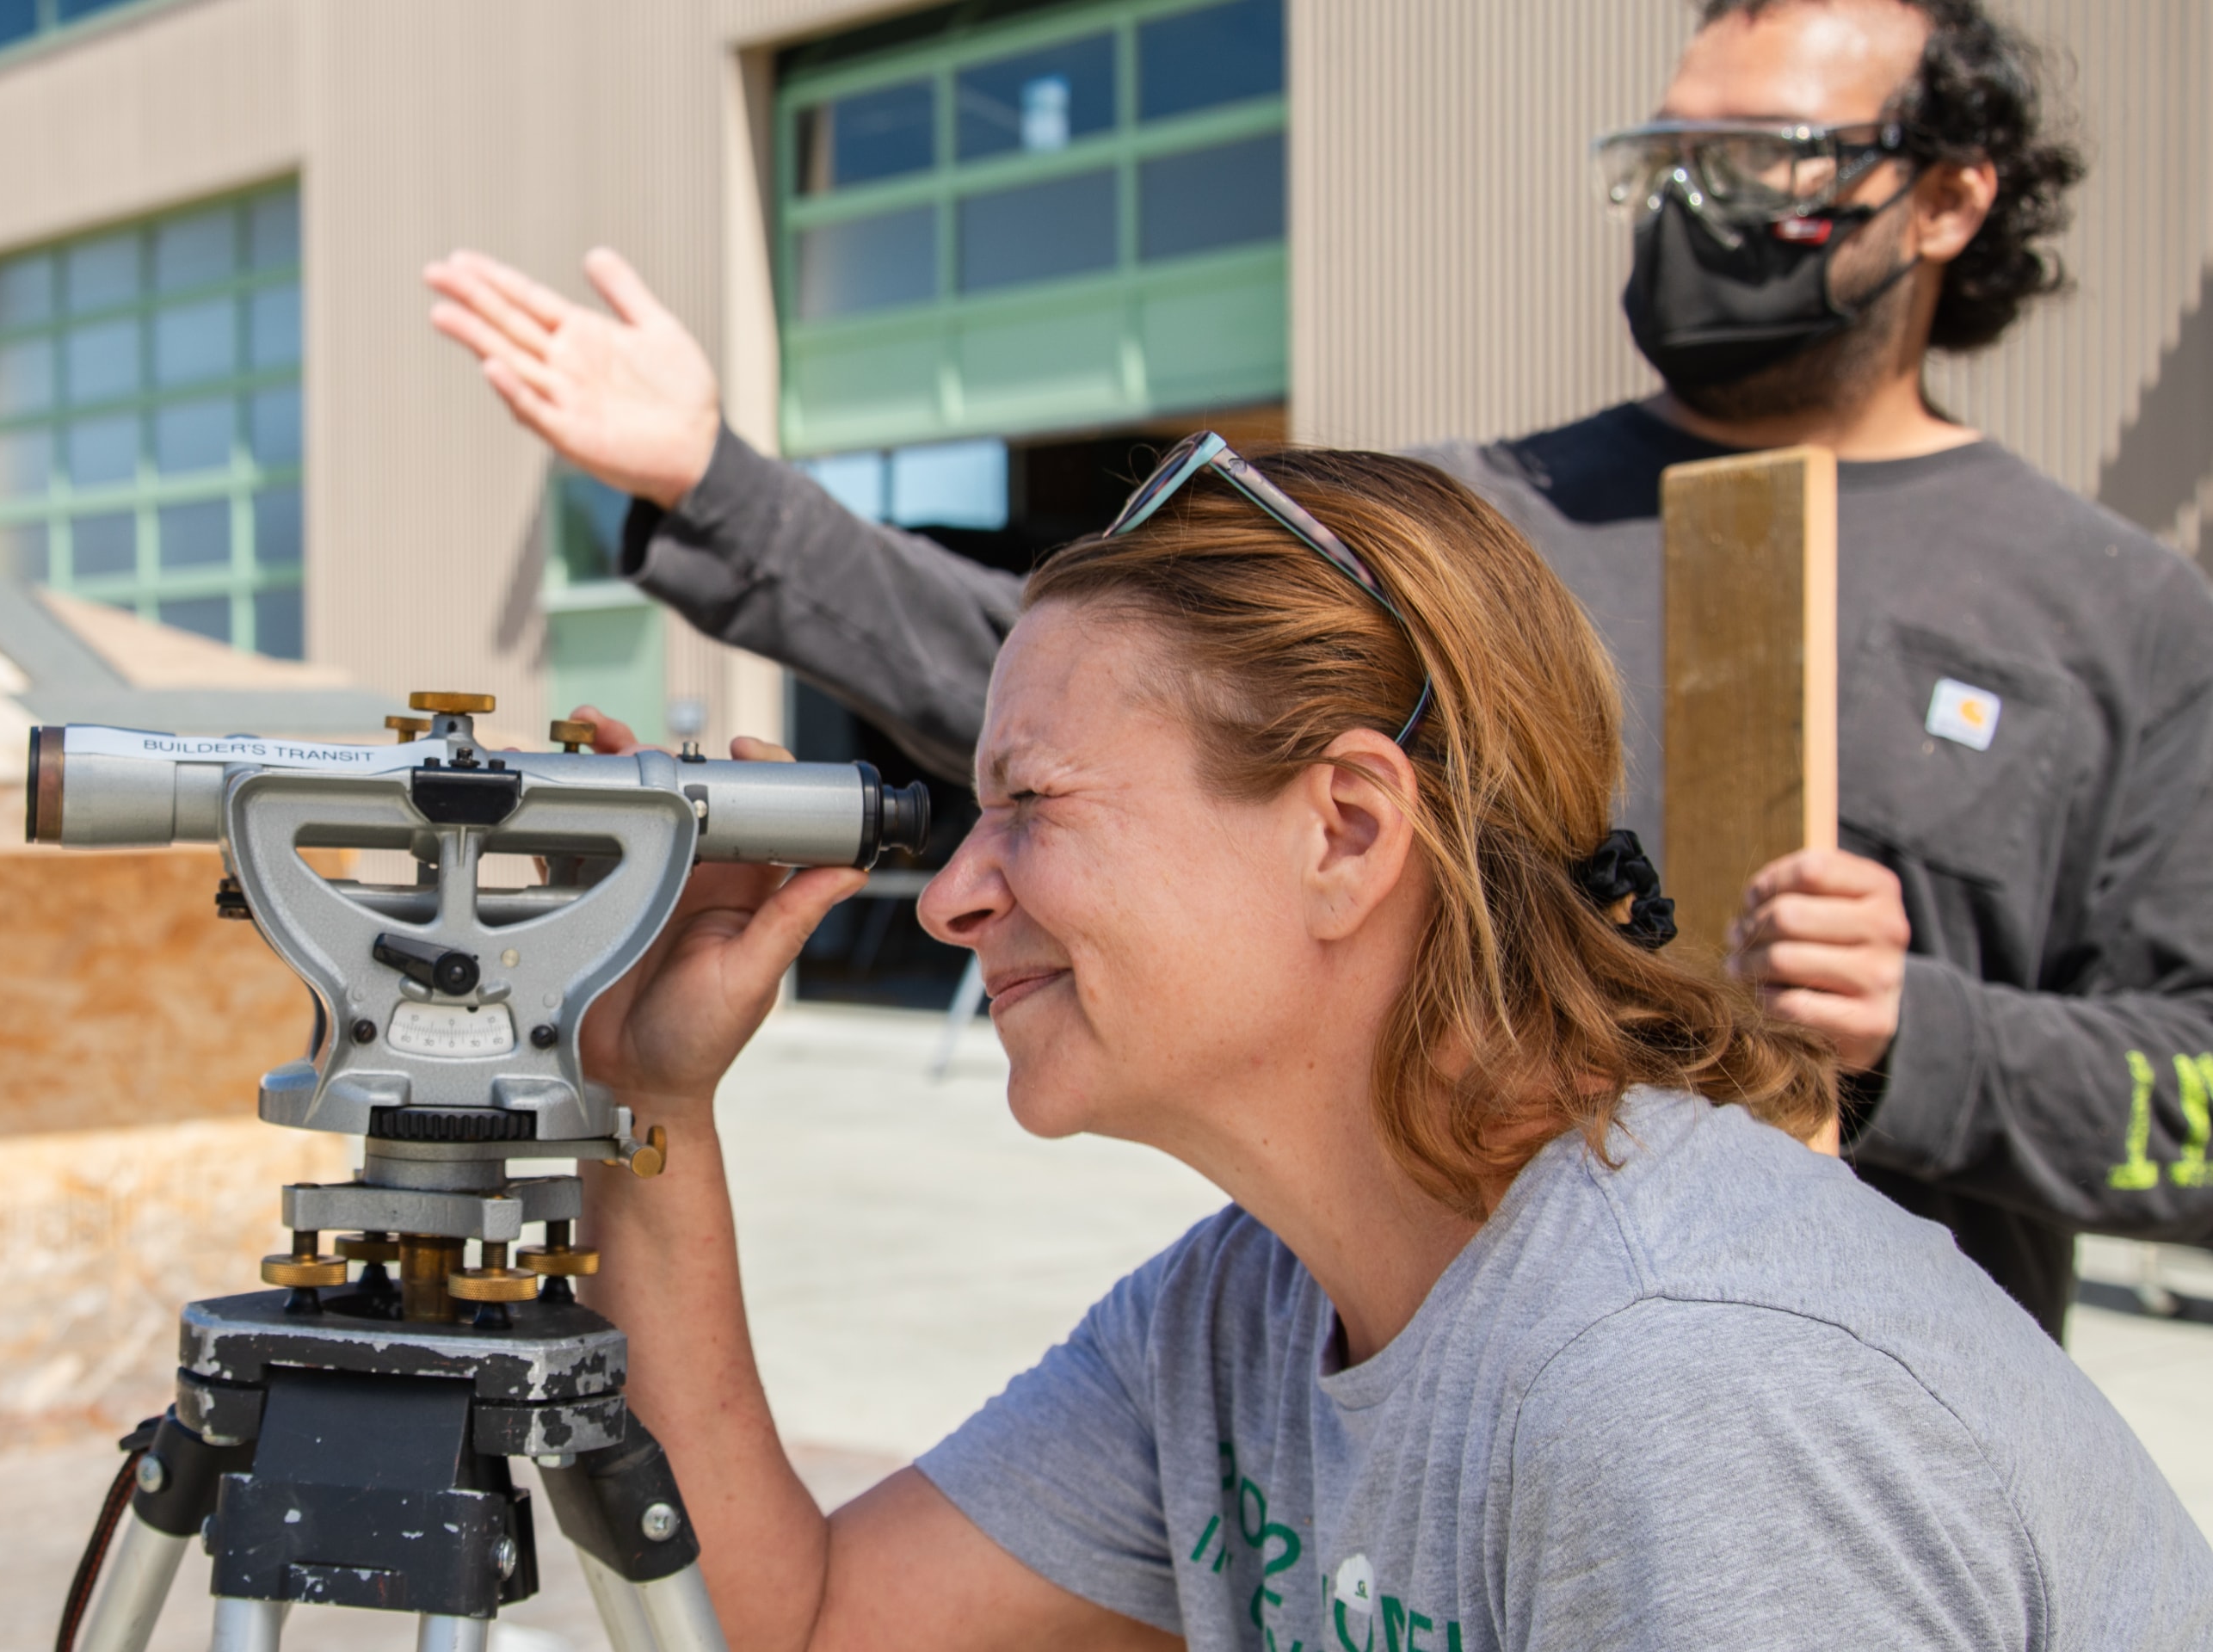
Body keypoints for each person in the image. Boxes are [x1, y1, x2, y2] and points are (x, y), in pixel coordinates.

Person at [425, 0, 2213, 1339]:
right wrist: (716, 485)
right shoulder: (1470, 531)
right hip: (1442, 1426)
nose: (1692, 214)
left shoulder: (2116, 617)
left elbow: (2196, 1112)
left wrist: (1935, 1035)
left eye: (1760, 168)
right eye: (1665, 165)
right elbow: (1065, 708)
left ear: (1951, 201)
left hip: (1880, 1464)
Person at [563, 440, 2210, 1649]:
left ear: (1347, 829)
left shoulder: (1691, 1380)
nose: (953, 900)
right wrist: (651, 1100)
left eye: (1029, 808)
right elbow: (792, 1629)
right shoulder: (1246, 1316)